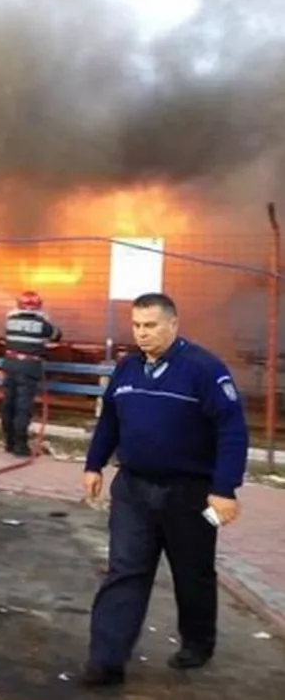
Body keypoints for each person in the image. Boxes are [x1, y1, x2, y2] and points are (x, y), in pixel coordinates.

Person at [80, 292, 249, 687]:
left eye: (151, 325)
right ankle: (107, 659)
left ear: (173, 324)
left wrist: (224, 488)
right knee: (125, 571)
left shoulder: (204, 370)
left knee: (192, 573)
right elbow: (110, 422)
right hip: (133, 489)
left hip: (190, 494)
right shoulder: (126, 369)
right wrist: (94, 464)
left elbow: (232, 430)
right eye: (137, 325)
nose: (142, 333)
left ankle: (197, 641)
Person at [0, 290, 62, 456]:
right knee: (22, 407)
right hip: (29, 367)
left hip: (10, 365)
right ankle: (20, 446)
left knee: (8, 404)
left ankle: (9, 442)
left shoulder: (10, 320)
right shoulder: (42, 323)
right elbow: (56, 335)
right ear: (38, 306)